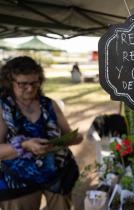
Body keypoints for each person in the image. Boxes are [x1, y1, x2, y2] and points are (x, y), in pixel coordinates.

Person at [0, 56, 83, 210]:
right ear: (9, 82)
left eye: (34, 83)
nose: (30, 88)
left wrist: (72, 139)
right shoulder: (3, 108)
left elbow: (70, 134)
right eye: (23, 84)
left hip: (56, 176)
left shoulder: (48, 104)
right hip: (17, 181)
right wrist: (24, 145)